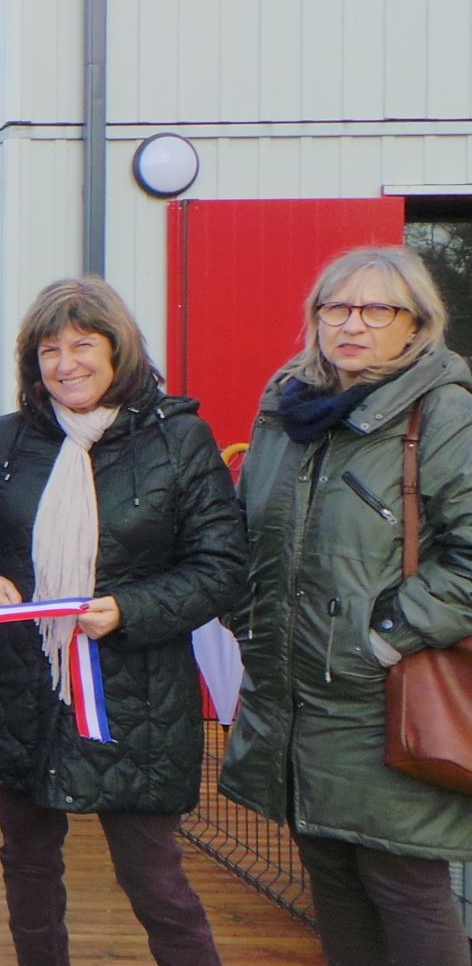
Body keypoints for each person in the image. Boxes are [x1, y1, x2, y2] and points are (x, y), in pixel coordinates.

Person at [0, 277, 243, 966]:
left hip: (135, 697)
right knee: (28, 865)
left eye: (83, 345)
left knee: (153, 876)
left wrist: (130, 610)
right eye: (50, 349)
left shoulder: (180, 441)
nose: (66, 363)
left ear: (118, 351)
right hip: (22, 685)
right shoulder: (5, 441)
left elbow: (221, 566)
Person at [221, 247, 472, 966]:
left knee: (403, 878)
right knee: (328, 872)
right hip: (292, 695)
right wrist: (247, 618)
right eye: (336, 307)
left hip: (387, 698)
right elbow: (250, 528)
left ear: (416, 324)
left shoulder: (445, 413)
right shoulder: (287, 407)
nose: (352, 324)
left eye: (377, 309)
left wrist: (383, 638)